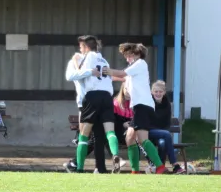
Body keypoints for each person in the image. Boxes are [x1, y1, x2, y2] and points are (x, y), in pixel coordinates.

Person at [103, 43, 167, 174]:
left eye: (129, 56)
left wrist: (107, 70)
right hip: (139, 107)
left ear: (137, 54)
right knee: (130, 138)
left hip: (142, 106)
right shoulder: (135, 68)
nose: (127, 59)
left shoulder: (140, 64)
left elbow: (121, 73)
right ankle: (135, 171)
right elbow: (121, 77)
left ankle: (160, 166)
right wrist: (103, 76)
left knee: (142, 139)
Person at [69, 35, 122, 174]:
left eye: (81, 47)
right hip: (107, 97)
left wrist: (75, 61)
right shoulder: (104, 60)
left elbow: (79, 72)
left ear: (86, 47)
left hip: (93, 96)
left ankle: (79, 168)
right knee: (109, 131)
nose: (80, 50)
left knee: (84, 135)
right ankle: (115, 154)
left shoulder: (89, 57)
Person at [63, 52, 114, 174]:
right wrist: (88, 71)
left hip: (94, 101)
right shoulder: (76, 62)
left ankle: (98, 167)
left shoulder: (99, 61)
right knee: (85, 136)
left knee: (98, 136)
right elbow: (70, 76)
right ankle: (78, 164)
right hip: (84, 103)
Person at [150, 80, 185, 174]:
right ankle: (174, 164)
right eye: (156, 91)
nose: (158, 94)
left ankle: (160, 167)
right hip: (149, 132)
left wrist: (162, 132)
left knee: (163, 142)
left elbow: (166, 123)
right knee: (166, 134)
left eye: (160, 91)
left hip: (162, 133)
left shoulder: (167, 104)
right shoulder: (148, 103)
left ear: (164, 92)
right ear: (152, 92)